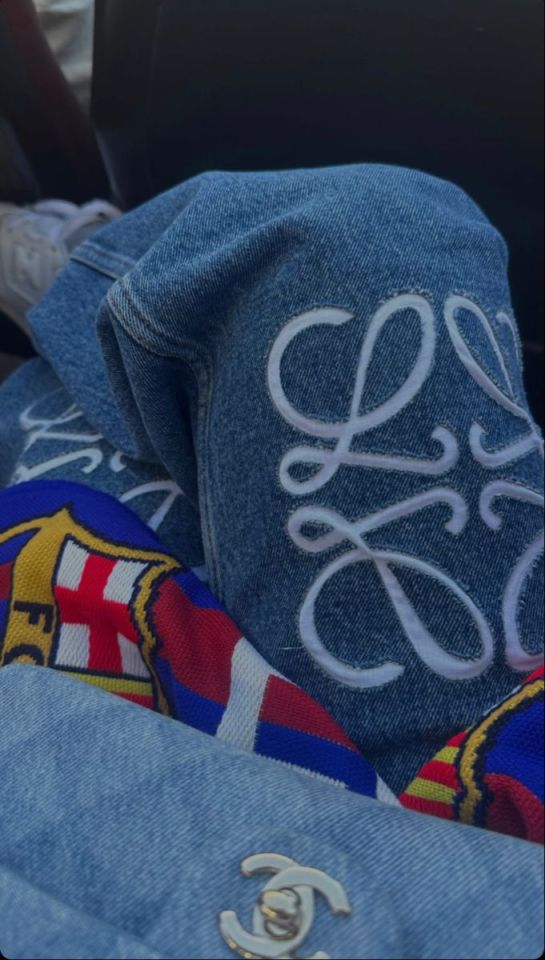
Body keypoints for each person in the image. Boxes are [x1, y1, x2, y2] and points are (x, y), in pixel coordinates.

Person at [0, 164, 543, 960]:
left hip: (93, 763)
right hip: (484, 798)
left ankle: (90, 293)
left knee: (81, 447)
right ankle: (96, 298)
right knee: (361, 232)